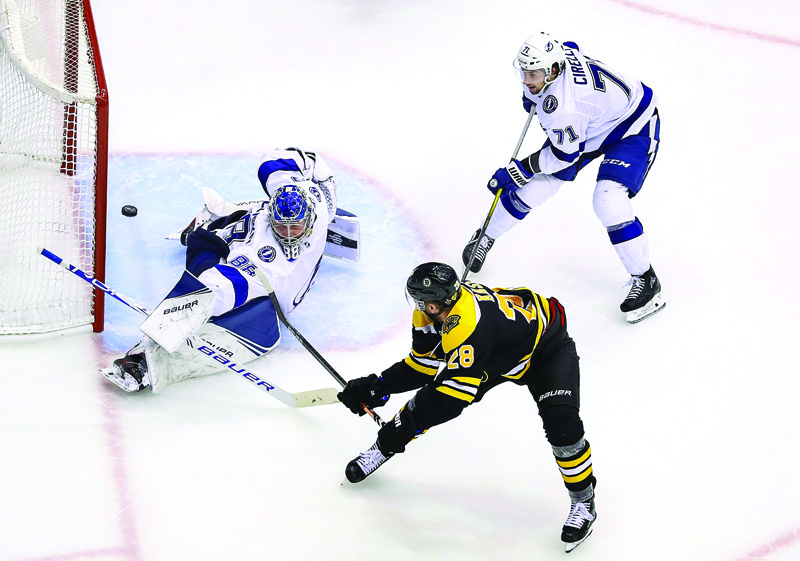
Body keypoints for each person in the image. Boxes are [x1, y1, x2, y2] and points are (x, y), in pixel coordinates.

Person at [338, 262, 597, 553]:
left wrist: (396, 423)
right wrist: (379, 386)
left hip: (547, 349)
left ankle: (583, 501)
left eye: (424, 303)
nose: (420, 307)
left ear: (439, 303)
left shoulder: (467, 324)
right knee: (434, 397)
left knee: (562, 425)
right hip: (498, 354)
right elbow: (422, 367)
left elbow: (448, 401)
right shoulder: (433, 313)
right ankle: (383, 448)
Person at [462, 32, 664, 324]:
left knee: (609, 201)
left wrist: (518, 170)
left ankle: (646, 279)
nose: (527, 79)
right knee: (536, 190)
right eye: (525, 72)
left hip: (633, 126)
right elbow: (572, 47)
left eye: (534, 74)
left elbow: (563, 157)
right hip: (592, 122)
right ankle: (485, 235)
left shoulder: (564, 108)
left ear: (554, 70)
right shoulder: (559, 63)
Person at [100, 147, 339, 393]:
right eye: (281, 227)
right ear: (272, 218)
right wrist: (173, 319)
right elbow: (221, 286)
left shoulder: (318, 204)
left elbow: (273, 162)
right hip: (208, 245)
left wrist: (322, 176)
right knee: (221, 299)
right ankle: (141, 356)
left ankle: (224, 211)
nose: (288, 235)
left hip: (244, 231)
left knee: (240, 231)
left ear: (310, 219)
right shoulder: (269, 262)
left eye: (295, 227)